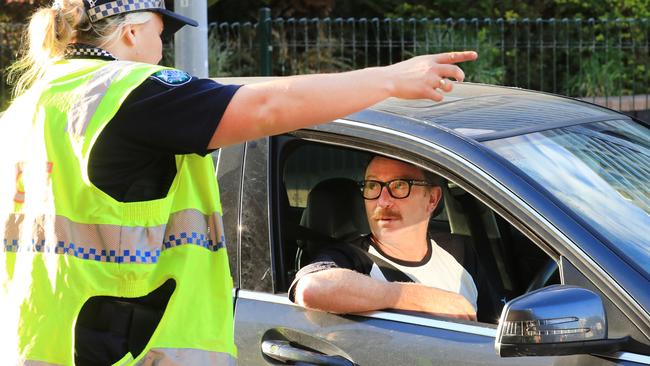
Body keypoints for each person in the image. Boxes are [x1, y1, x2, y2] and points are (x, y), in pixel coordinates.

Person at [0, 0, 477, 364]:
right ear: (131, 31)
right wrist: (390, 79)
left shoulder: (29, 107)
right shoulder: (132, 93)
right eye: (161, 33)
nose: (163, 50)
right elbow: (266, 107)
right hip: (126, 350)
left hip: (38, 341)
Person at [290, 156, 479, 321]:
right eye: (373, 186)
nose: (382, 201)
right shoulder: (351, 258)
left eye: (399, 185)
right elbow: (311, 288)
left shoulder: (460, 251)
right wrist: (421, 298)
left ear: (432, 199)